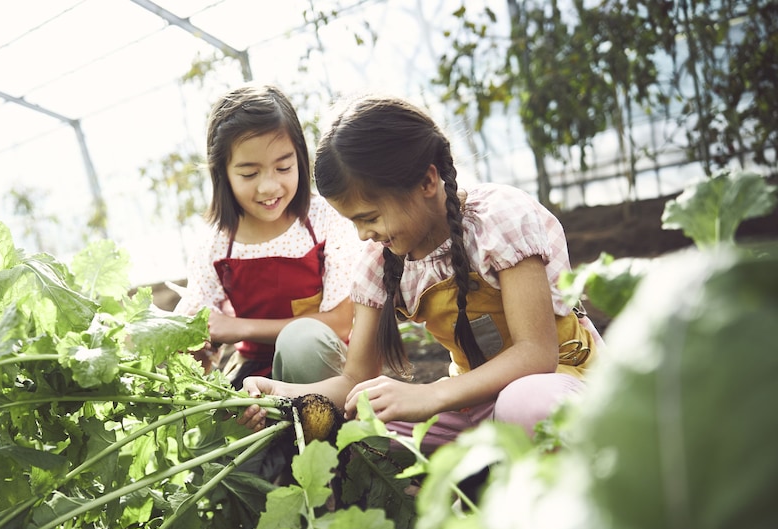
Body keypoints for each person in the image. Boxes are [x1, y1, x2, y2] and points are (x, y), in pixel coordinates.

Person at [239, 94, 604, 450]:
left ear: (427, 182)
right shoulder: (379, 261)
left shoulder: (498, 220)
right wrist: (282, 392)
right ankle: (476, 473)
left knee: (525, 405)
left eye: (369, 217)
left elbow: (536, 353)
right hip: (470, 405)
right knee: (360, 429)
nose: (363, 234)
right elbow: (354, 378)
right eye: (353, 222)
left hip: (557, 384)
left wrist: (431, 394)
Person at [174, 84, 364, 390]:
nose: (268, 187)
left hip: (325, 368)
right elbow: (197, 328)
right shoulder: (216, 245)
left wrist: (238, 328)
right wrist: (199, 348)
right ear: (222, 173)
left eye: (283, 167)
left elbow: (341, 321)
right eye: (249, 174)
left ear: (300, 159)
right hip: (254, 372)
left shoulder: (323, 220)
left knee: (300, 344)